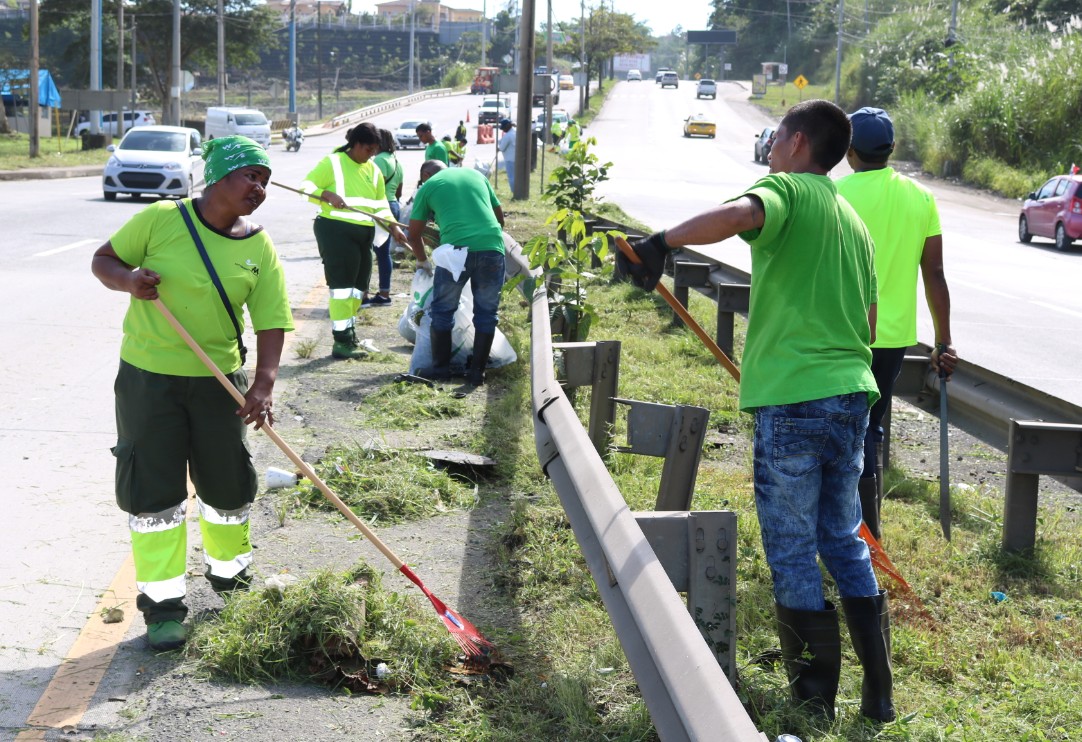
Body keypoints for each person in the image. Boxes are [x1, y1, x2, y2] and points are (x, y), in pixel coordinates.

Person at [618, 99, 894, 723]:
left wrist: (661, 241)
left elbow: (740, 213)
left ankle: (814, 703)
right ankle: (878, 695)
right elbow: (869, 321)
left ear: (799, 144)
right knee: (843, 538)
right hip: (852, 391)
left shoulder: (788, 190)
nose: (770, 151)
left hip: (794, 396)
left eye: (777, 141)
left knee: (794, 546)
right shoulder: (853, 221)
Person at [90, 136, 293, 651]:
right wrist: (130, 280)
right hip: (148, 379)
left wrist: (263, 385)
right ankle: (163, 608)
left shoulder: (257, 245)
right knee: (154, 492)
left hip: (220, 382)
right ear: (219, 178)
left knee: (227, 487)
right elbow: (104, 260)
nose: (259, 188)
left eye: (265, 180)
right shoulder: (162, 219)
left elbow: (270, 320)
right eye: (251, 176)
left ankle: (233, 584)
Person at [836, 107, 957, 541]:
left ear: (849, 151)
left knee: (845, 425)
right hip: (893, 340)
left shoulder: (836, 193)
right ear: (892, 149)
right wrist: (943, 341)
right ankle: (868, 526)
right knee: (872, 423)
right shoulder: (920, 197)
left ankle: (863, 530)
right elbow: (935, 274)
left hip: (842, 332)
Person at [300, 123, 406, 358]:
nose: (371, 155)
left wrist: (394, 227)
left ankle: (349, 333)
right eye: (368, 149)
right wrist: (325, 194)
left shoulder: (373, 170)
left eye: (375, 151)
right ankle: (341, 342)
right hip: (336, 231)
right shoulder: (333, 162)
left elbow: (381, 207)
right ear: (356, 144)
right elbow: (305, 186)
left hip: (365, 233)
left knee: (359, 290)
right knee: (341, 289)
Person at [406, 160, 506, 386]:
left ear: (426, 174)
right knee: (486, 313)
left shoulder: (428, 186)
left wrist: (422, 261)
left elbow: (413, 235)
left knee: (442, 311)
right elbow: (499, 220)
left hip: (455, 254)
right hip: (492, 248)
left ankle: (441, 372)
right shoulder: (477, 176)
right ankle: (476, 374)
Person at [371, 127, 405, 307]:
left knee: (372, 252)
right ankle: (384, 292)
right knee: (384, 253)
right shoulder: (396, 161)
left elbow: (373, 187)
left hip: (380, 207)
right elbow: (399, 189)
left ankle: (373, 294)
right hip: (393, 205)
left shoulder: (379, 160)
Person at [497, 118, 517, 194]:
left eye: (504, 128)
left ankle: (514, 192)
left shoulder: (507, 136)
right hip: (516, 158)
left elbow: (502, 148)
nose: (503, 130)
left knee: (511, 177)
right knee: (516, 176)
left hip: (509, 159)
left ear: (508, 126)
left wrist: (498, 147)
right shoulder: (515, 132)